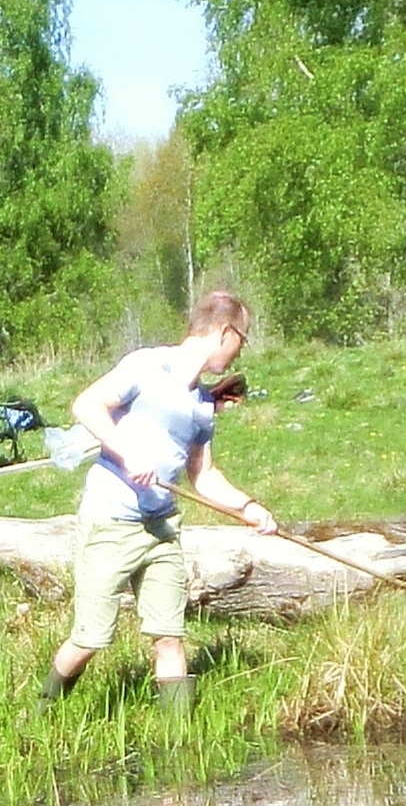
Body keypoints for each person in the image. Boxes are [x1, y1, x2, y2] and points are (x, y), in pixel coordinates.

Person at [47, 292, 288, 710]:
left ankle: (179, 750)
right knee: (90, 637)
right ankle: (44, 706)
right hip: (110, 521)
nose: (239, 353)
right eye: (241, 340)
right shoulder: (147, 365)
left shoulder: (201, 406)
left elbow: (204, 477)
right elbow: (86, 404)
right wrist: (127, 452)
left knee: (169, 636)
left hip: (161, 530)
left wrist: (249, 509)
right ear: (224, 332)